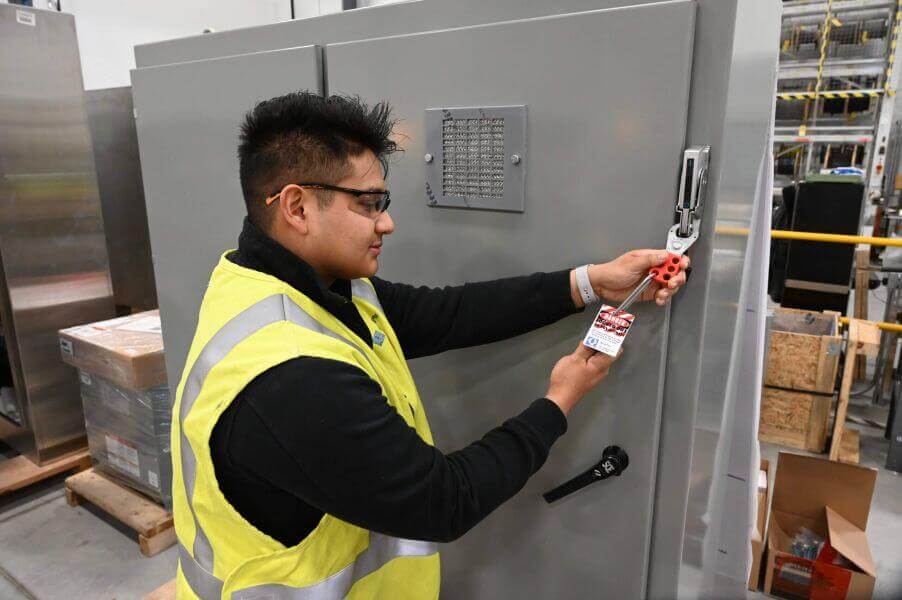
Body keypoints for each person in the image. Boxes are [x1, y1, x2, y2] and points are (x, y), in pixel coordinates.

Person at [171, 92, 689, 599]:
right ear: (297, 207)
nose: (387, 222)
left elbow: (446, 314)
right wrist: (560, 400)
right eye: (368, 203)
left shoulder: (281, 283)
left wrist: (592, 282)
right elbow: (445, 501)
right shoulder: (290, 377)